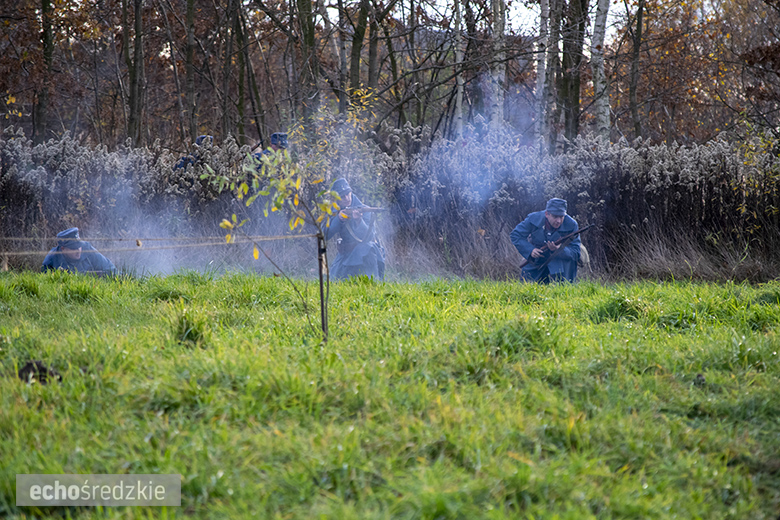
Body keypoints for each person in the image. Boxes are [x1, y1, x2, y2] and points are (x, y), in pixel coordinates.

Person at [325, 178, 385, 280]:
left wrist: (359, 221)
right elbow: (325, 235)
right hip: (346, 253)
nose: (347, 198)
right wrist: (338, 219)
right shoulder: (334, 211)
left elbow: (369, 237)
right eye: (342, 196)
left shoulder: (364, 210)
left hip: (365, 254)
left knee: (368, 280)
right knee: (334, 280)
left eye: (348, 194)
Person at [510, 198, 580, 283]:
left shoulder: (572, 225)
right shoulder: (533, 218)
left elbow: (576, 252)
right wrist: (530, 250)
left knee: (563, 291)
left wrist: (559, 249)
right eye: (555, 216)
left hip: (561, 264)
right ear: (547, 214)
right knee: (526, 289)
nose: (558, 221)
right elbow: (516, 235)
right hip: (537, 260)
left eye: (561, 217)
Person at [42, 227, 117, 276]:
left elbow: (110, 269)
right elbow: (46, 284)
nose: (78, 250)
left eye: (79, 246)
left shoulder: (88, 249)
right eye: (73, 248)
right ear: (63, 249)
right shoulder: (51, 260)